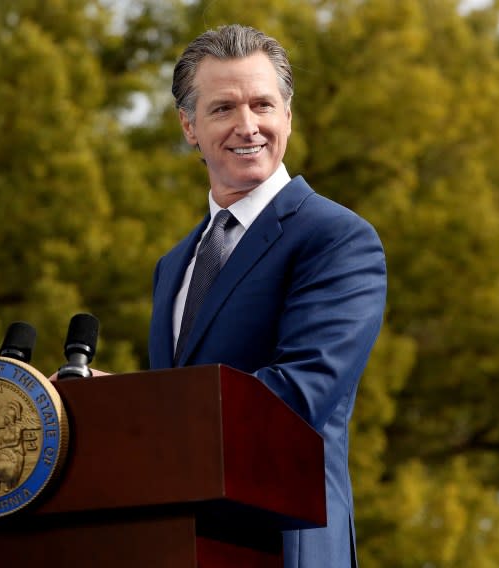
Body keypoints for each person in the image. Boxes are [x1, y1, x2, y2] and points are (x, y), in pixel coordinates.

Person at [148, 24, 387, 567]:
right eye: (223, 108)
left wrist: (149, 414)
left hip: (286, 544)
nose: (247, 126)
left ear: (288, 117)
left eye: (263, 104)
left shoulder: (336, 238)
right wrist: (110, 409)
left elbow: (298, 396)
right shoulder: (172, 265)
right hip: (184, 546)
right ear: (189, 125)